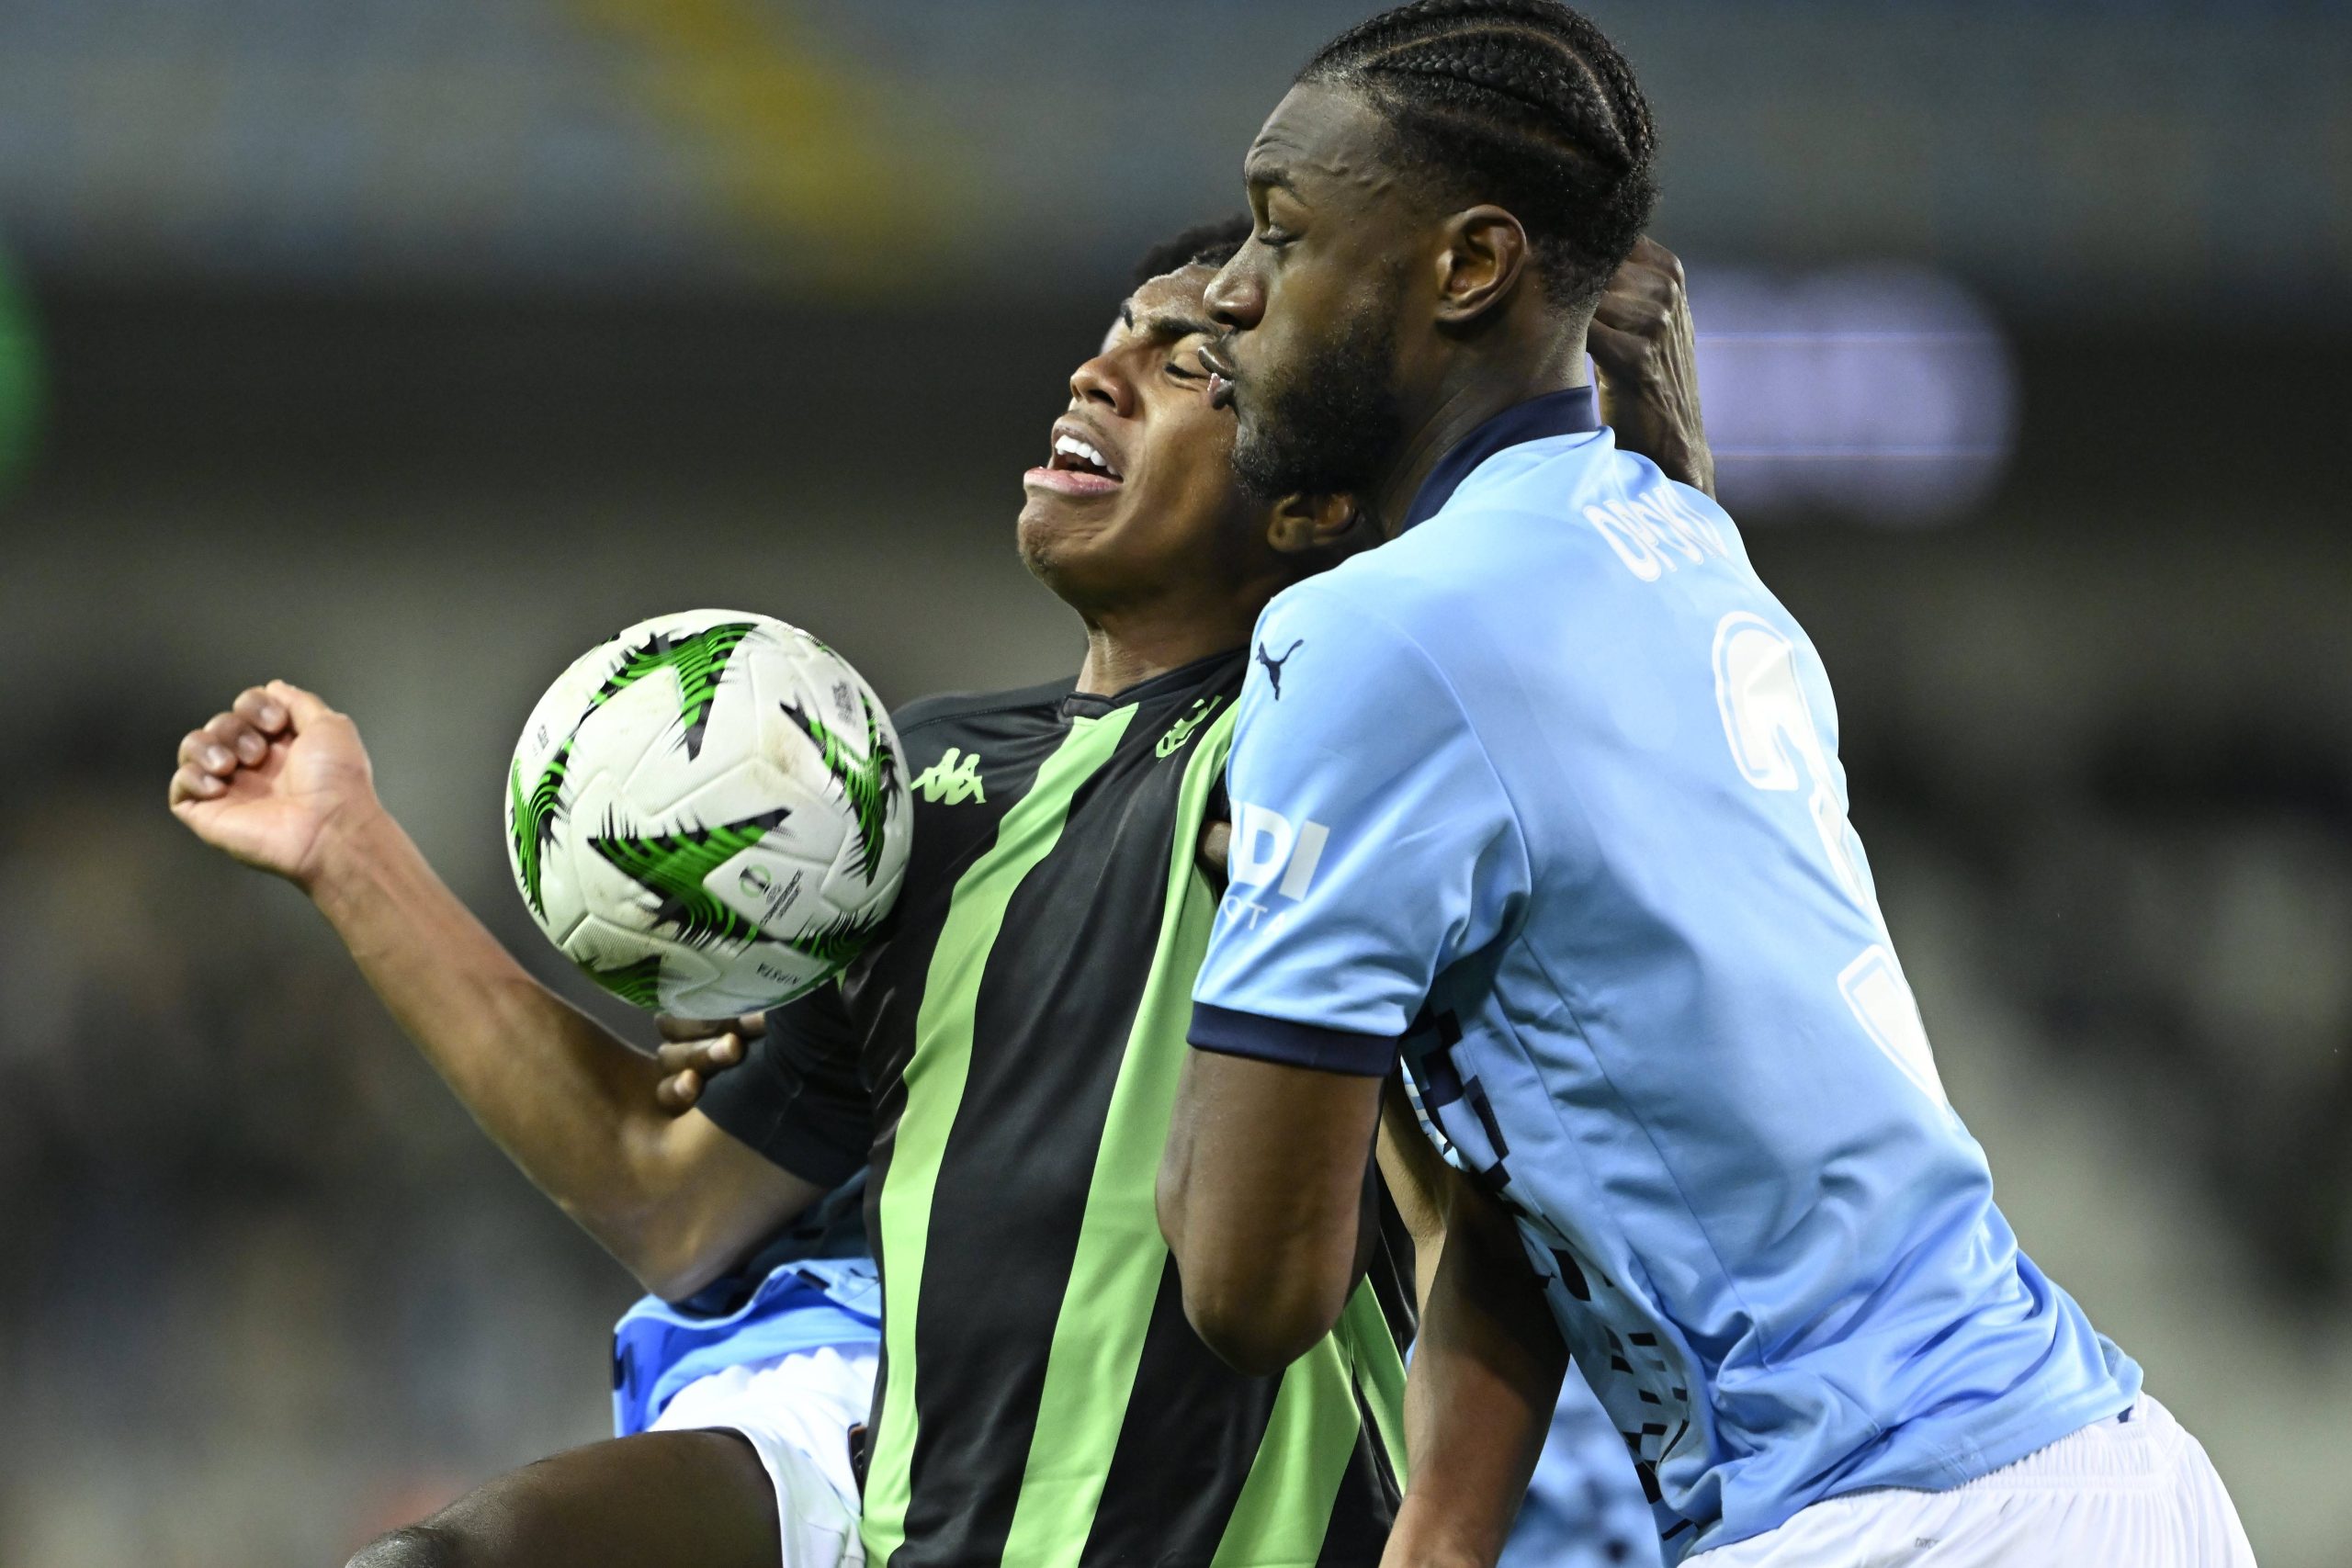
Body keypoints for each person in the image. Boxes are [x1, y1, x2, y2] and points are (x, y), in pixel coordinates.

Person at [167, 217, 1693, 1568]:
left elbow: (1478, 1195)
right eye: (1115, 335)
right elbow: (666, 1189)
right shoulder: (921, 785)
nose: (1102, 372)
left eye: (1190, 370)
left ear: (1313, 506)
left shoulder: (1328, 751)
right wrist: (345, 847)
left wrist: (1638, 430)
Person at [1152, 5, 2256, 1567]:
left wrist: (1232, 915)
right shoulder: (1688, 548)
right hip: (2098, 1466)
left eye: (1281, 232)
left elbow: (1245, 1289)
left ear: (1471, 266)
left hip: (1893, 1511)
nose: (1226, 293)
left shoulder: (1370, 634)